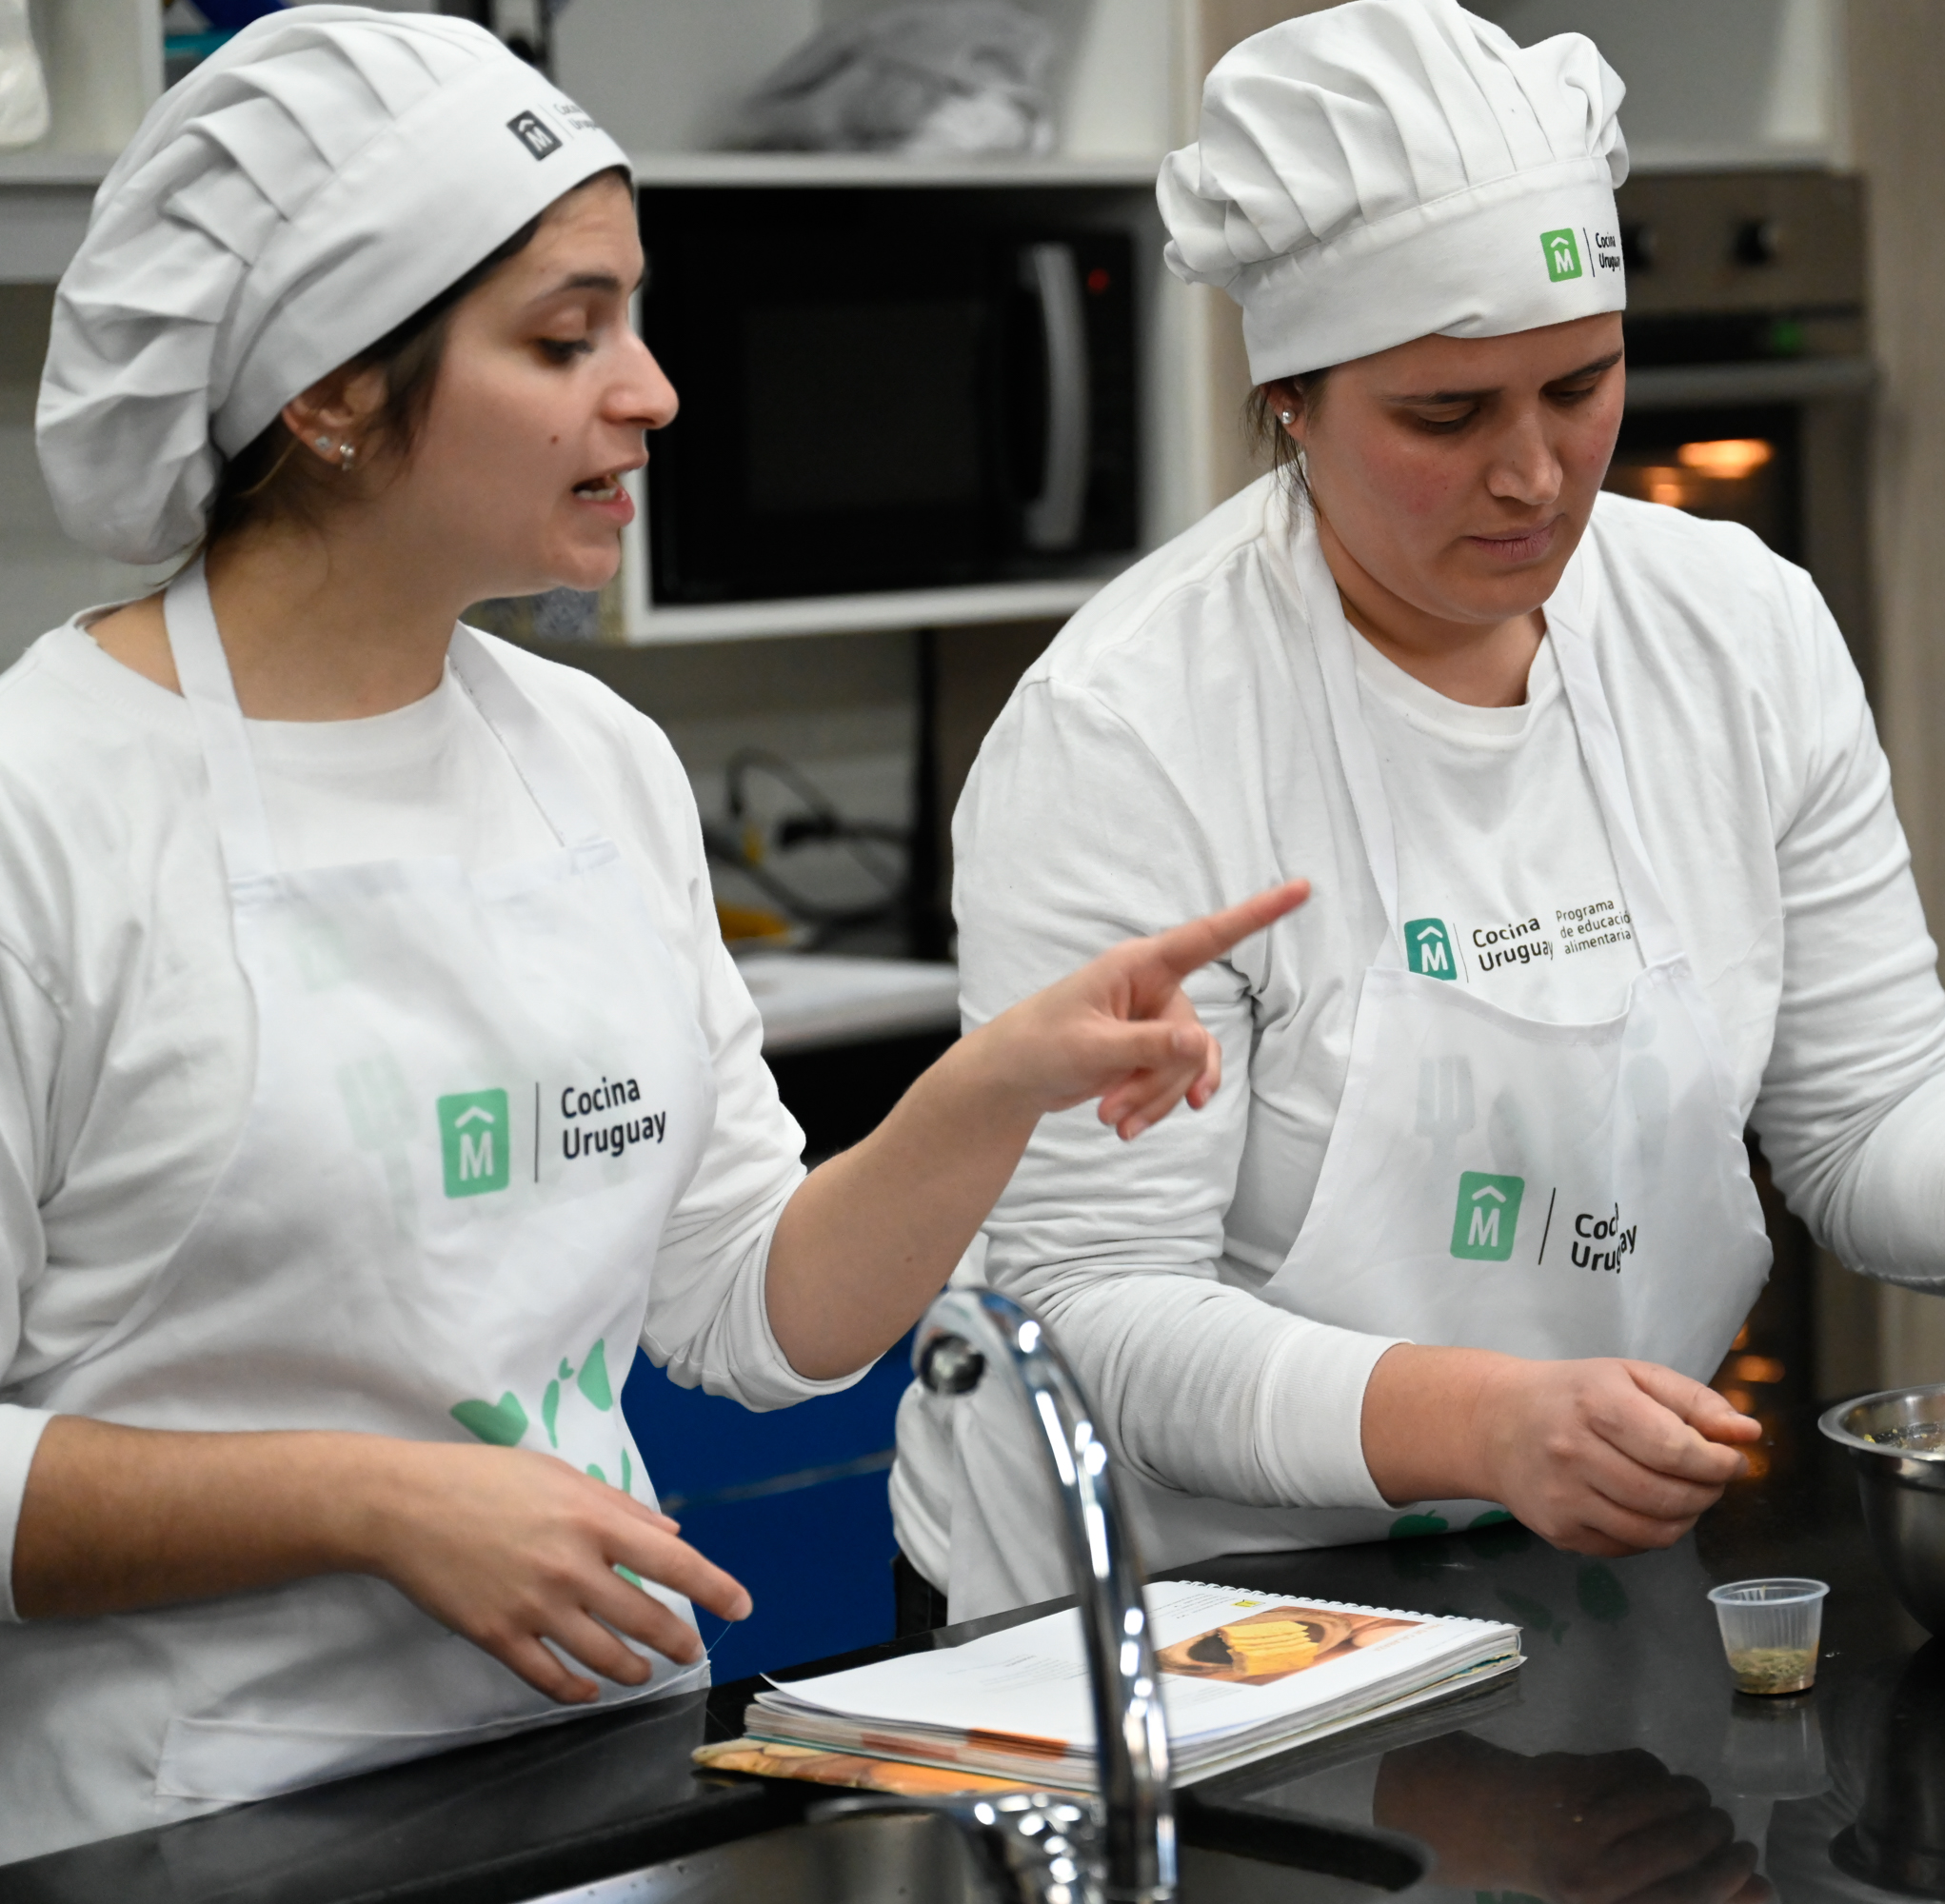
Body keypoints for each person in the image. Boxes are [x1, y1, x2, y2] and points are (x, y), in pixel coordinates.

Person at [0, 10, 1296, 1859]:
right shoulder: (45, 808)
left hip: (597, 1788)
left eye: (636, 317)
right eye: (562, 335)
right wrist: (377, 1500)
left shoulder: (593, 765)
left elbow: (754, 1312)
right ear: (331, 393)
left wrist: (992, 1086)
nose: (654, 391)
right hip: (184, 1825)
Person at [889, 0, 1945, 1625]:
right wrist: (1485, 1417)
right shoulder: (1133, 731)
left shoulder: (1738, 633)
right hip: (1166, 1607)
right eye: (1447, 418)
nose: (1535, 475)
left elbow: (1865, 1115)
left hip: (1568, 1564)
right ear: (1295, 404)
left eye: (1581, 384)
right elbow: (1095, 1313)